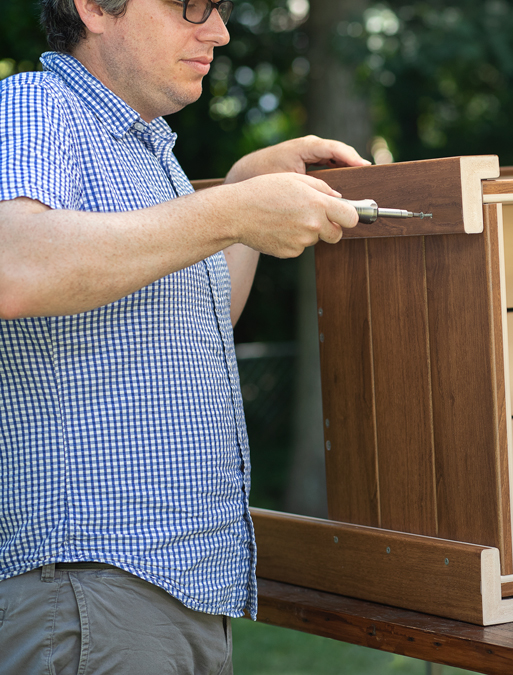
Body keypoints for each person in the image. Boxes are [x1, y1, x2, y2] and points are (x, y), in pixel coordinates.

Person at [0, 0, 368, 671]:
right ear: (93, 7)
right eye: (189, 5)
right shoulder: (34, 104)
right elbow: (15, 265)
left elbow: (194, 318)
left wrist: (242, 191)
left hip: (171, 591)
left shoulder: (149, 152)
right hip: (93, 589)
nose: (219, 31)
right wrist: (228, 210)